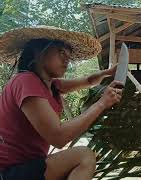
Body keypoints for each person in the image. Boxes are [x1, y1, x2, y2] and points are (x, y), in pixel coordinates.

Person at [0, 26, 124, 180]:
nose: (67, 59)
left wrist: (107, 73)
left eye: (69, 55)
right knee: (84, 156)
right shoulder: (25, 81)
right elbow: (58, 137)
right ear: (39, 51)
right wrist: (101, 103)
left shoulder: (51, 85)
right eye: (61, 52)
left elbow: (88, 81)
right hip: (11, 172)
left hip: (30, 167)